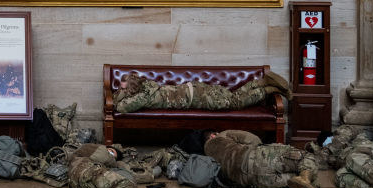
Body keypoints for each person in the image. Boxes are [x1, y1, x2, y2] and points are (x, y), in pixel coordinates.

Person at [204, 129, 324, 188]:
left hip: (251, 180)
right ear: (213, 135)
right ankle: (305, 179)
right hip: (255, 158)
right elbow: (254, 139)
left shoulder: (206, 156)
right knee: (306, 157)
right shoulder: (222, 135)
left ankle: (303, 187)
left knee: (293, 178)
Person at [114, 71, 291, 113]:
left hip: (198, 98)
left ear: (130, 90)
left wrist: (123, 92)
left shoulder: (144, 97)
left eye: (124, 87)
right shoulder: (148, 86)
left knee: (235, 102)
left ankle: (268, 90)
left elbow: (121, 107)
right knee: (233, 95)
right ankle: (262, 82)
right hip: (196, 88)